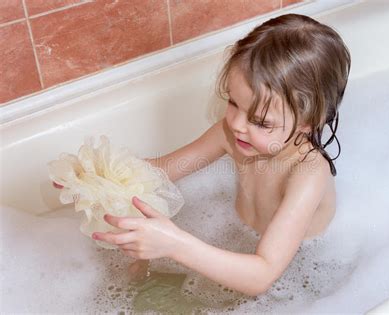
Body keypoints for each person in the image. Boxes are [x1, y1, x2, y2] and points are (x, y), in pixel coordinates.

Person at [53, 13, 350, 296]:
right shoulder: (232, 136)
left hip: (299, 274)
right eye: (233, 103)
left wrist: (174, 245)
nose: (236, 124)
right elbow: (157, 172)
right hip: (240, 247)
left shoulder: (308, 172)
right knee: (133, 282)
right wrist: (94, 179)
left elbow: (263, 275)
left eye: (260, 121)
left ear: (307, 122)